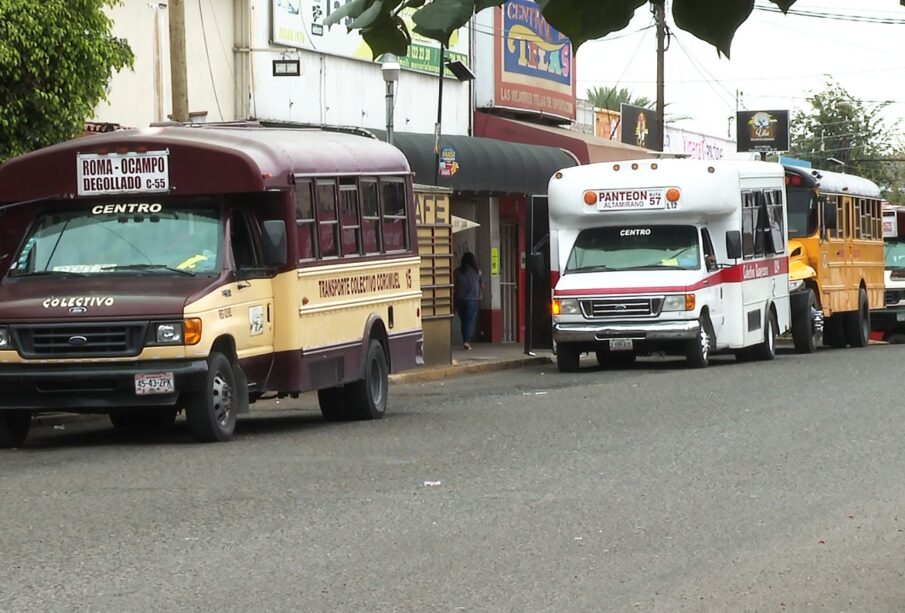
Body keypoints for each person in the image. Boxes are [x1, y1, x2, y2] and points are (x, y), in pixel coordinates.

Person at [454, 251, 483, 350]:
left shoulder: (457, 272)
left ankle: (465, 340)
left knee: (464, 321)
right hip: (473, 299)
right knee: (469, 321)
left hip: (459, 299)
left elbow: (454, 285)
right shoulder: (477, 272)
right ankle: (466, 341)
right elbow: (482, 285)